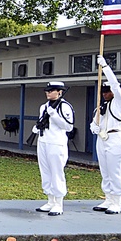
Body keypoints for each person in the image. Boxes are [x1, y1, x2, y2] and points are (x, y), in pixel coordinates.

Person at [90, 55, 121, 214]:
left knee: (115, 172)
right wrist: (94, 127)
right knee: (105, 171)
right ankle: (108, 198)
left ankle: (117, 201)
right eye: (104, 91)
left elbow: (116, 85)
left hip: (115, 138)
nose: (106, 94)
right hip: (102, 139)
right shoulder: (102, 107)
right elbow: (95, 122)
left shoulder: (120, 102)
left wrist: (105, 67)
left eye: (108, 91)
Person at [32, 80, 75, 216]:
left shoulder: (64, 107)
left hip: (56, 143)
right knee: (45, 171)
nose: (48, 93)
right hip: (44, 141)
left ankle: (58, 203)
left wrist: (54, 115)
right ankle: (50, 200)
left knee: (56, 172)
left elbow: (69, 126)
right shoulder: (43, 107)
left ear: (59, 92)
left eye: (51, 91)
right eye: (47, 91)